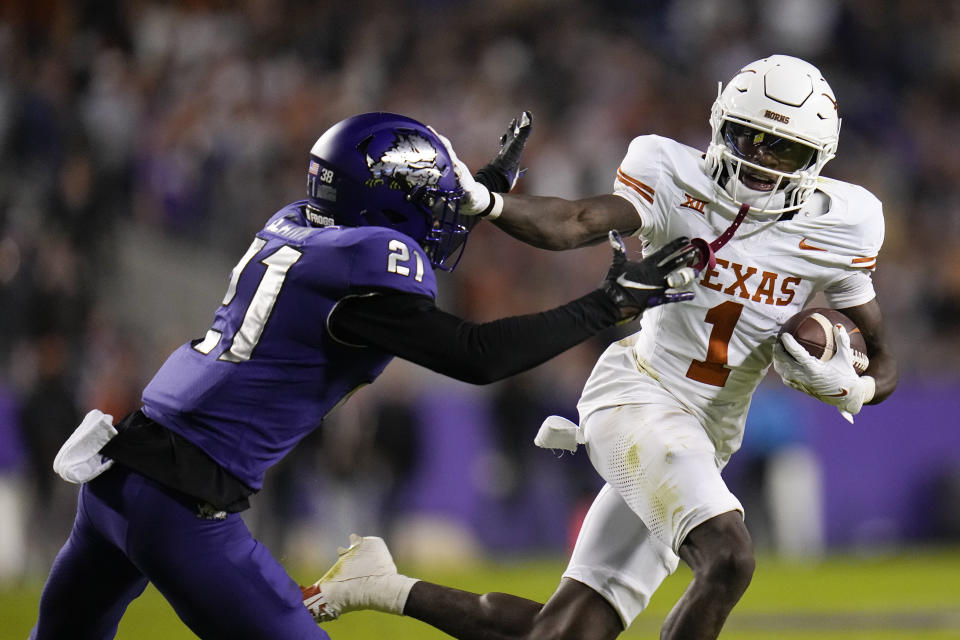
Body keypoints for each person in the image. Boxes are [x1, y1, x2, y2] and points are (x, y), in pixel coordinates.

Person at [29, 111, 697, 640]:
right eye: (432, 205)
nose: (442, 220)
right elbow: (476, 354)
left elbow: (385, 246)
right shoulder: (363, 275)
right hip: (182, 507)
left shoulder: (295, 225)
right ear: (393, 210)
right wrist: (608, 303)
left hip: (118, 480)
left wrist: (482, 188)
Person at [304, 55, 899, 640]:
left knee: (564, 632)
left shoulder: (844, 223)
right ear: (721, 127)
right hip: (641, 396)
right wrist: (489, 202)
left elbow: (883, 357)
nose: (762, 163)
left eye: (783, 150)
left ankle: (377, 585)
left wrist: (860, 386)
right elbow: (577, 219)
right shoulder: (670, 170)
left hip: (709, 432)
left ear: (817, 159)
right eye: (750, 139)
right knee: (730, 557)